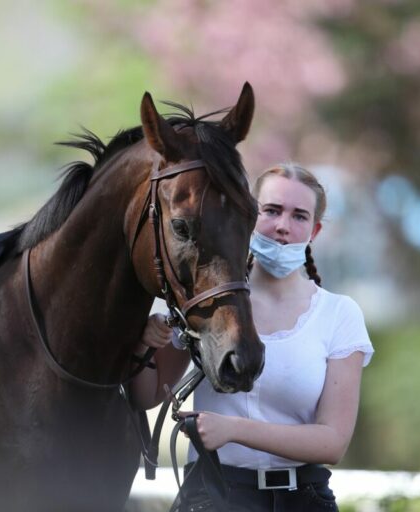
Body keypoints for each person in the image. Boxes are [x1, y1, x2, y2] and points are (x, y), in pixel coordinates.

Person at [130, 163, 374, 511]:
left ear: (315, 230)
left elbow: (332, 442)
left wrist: (233, 430)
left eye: (299, 216)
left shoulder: (339, 314)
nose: (283, 226)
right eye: (271, 210)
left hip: (304, 500)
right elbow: (147, 396)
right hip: (213, 497)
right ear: (246, 215)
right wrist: (144, 341)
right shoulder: (205, 301)